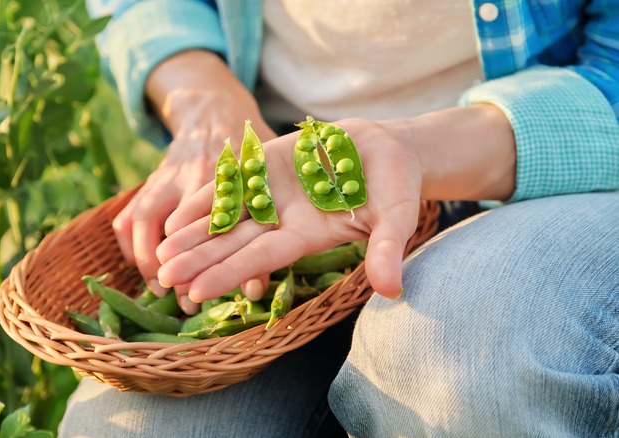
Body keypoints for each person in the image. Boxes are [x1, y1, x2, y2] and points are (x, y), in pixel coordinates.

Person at [61, 1, 619, 436]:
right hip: (289, 175)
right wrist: (207, 100)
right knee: (134, 427)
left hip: (541, 166)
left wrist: (419, 149)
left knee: (459, 361)